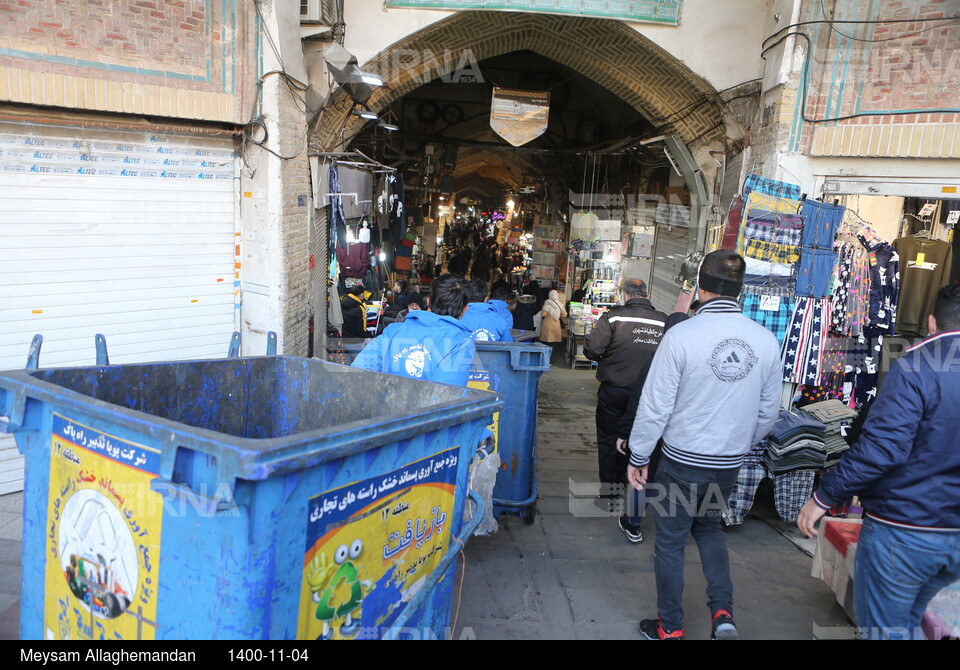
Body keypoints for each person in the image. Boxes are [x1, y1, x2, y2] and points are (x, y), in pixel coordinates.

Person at [626, 251, 782, 640]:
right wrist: (738, 444)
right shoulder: (764, 341)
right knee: (709, 530)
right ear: (741, 290)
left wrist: (639, 455)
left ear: (700, 286)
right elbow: (769, 412)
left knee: (671, 543)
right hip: (727, 464)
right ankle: (723, 615)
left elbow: (655, 405)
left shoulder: (681, 335)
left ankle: (670, 628)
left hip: (681, 465)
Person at [797, 282, 960, 640]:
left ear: (932, 323)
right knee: (908, 621)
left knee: (888, 631)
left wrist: (823, 496)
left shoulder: (917, 366)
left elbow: (881, 451)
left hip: (906, 530)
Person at [583, 279, 667, 542]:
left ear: (625, 294)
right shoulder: (663, 321)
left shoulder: (613, 317)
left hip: (615, 391)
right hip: (651, 396)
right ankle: (639, 493)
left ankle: (610, 492)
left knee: (609, 439)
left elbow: (592, 350)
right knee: (647, 442)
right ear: (646, 294)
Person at [351, 274, 476, 387]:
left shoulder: (393, 331)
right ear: (465, 309)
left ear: (428, 301)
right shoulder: (460, 343)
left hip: (387, 410)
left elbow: (358, 374)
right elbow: (446, 399)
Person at [539, 289, 566, 362]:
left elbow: (543, 314)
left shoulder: (547, 303)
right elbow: (564, 314)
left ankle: (545, 357)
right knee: (553, 342)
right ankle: (550, 357)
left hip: (547, 324)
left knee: (546, 341)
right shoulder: (560, 304)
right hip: (556, 325)